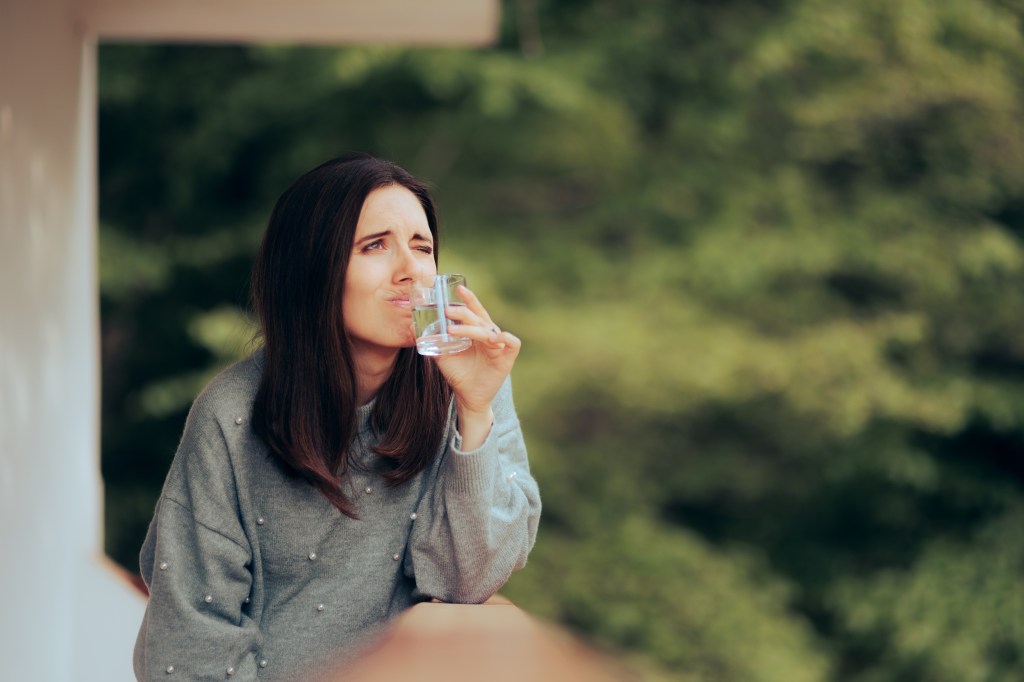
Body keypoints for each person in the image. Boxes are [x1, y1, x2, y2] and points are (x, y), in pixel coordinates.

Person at [132, 152, 542, 681]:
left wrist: (476, 411)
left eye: (422, 247)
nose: (410, 270)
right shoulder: (231, 412)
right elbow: (191, 637)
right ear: (312, 268)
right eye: (375, 246)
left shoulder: (466, 385)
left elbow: (466, 585)